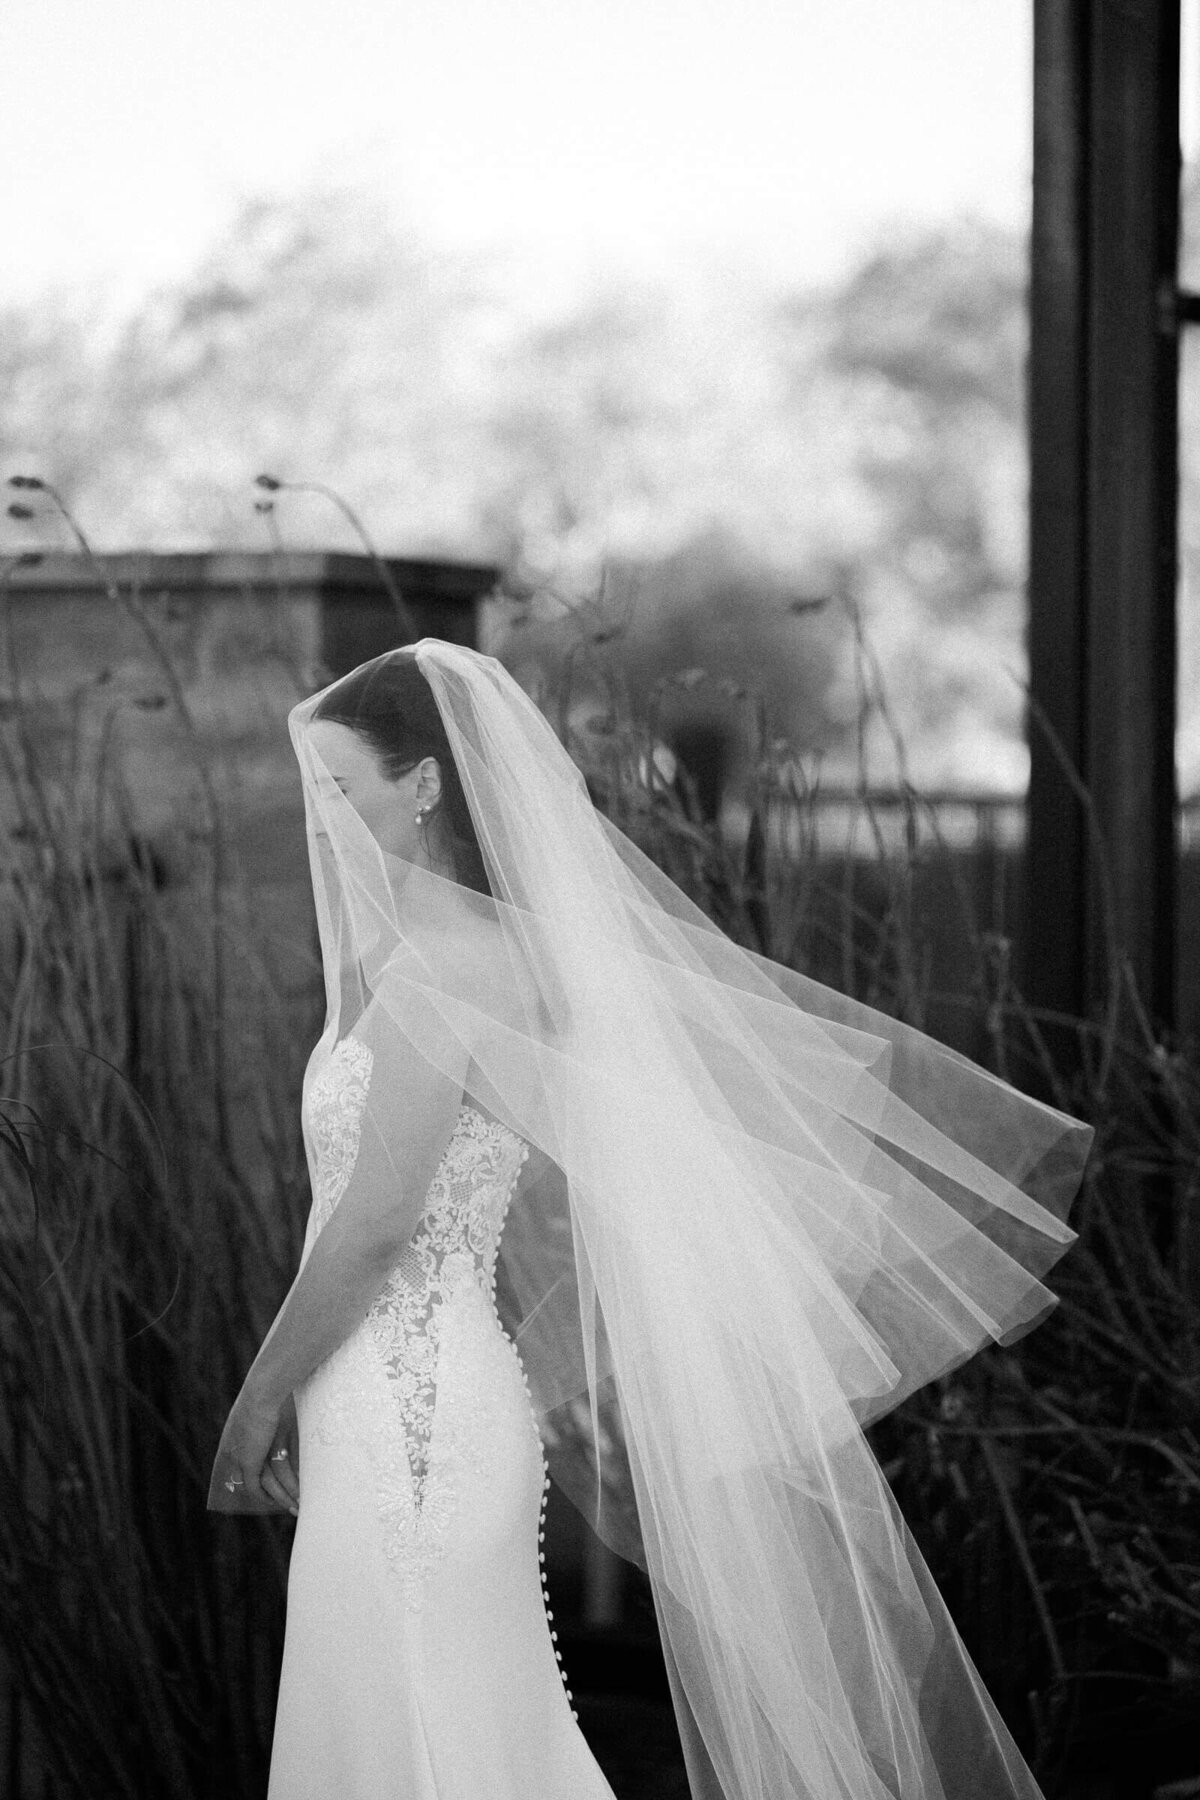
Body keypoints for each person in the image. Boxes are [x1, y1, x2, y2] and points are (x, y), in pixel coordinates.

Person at [208, 640, 1094, 1800]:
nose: (322, 819)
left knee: (434, 1743)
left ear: (423, 783)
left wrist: (253, 1403)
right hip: (390, 1400)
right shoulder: (435, 957)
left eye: (342, 787)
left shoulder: (447, 970)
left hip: (408, 1424)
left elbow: (376, 1227)